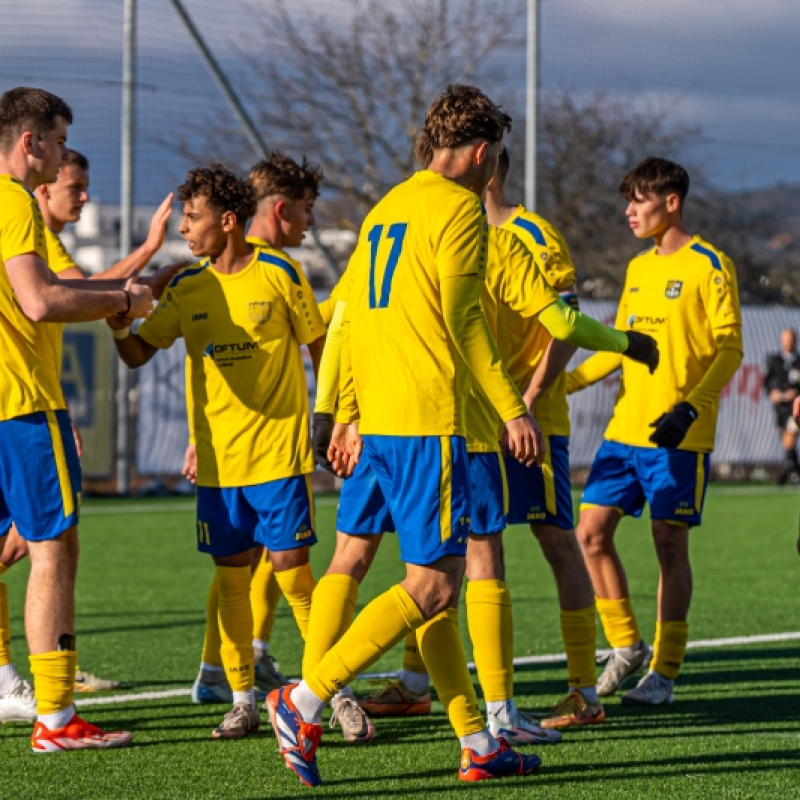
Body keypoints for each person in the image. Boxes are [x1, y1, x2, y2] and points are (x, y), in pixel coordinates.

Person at [267, 84, 656, 788]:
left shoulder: (387, 208)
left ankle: (477, 740)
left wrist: (334, 410)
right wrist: (515, 409)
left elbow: (347, 316)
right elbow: (466, 325)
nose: (492, 169)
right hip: (429, 422)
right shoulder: (461, 212)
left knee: (417, 580)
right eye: (496, 156)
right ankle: (303, 699)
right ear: (482, 152)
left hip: (379, 421)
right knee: (435, 587)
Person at [110, 164, 325, 740]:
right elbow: (137, 354)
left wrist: (332, 420)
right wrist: (117, 321)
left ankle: (331, 688)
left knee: (292, 575)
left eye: (193, 216)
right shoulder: (187, 287)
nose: (185, 227)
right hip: (218, 465)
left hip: (279, 458)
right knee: (232, 581)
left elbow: (321, 349)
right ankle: (242, 699)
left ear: (228, 222)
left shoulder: (282, 272)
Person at [0, 147, 178, 723]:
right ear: (32, 149)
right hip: (22, 405)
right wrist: (141, 275)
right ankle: (54, 711)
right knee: (53, 544)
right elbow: (58, 298)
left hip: (19, 402)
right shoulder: (21, 213)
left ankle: (8, 678)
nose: (80, 195)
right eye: (73, 183)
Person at [569, 156, 743, 705]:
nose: (629, 211)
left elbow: (730, 348)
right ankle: (626, 646)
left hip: (678, 436)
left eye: (638, 201)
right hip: (625, 432)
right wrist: (563, 383)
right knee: (590, 534)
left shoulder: (712, 265)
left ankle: (664, 674)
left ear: (671, 203)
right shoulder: (638, 268)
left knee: (669, 545)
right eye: (627, 201)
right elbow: (622, 344)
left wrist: (691, 409)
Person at [188, 152, 325, 704]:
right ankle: (238, 667)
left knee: (250, 561)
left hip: (248, 449)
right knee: (255, 562)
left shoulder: (256, 267)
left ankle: (229, 664)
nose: (311, 223)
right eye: (308, 211)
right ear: (282, 209)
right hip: (262, 451)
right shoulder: (261, 270)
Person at [764, 328, 800, 485]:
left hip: (796, 406)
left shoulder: (799, 361)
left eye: (791, 339)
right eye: (785, 339)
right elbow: (766, 382)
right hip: (780, 408)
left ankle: (788, 473)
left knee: (791, 436)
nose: (788, 342)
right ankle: (792, 471)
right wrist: (773, 392)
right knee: (786, 440)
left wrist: (796, 392)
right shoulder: (775, 360)